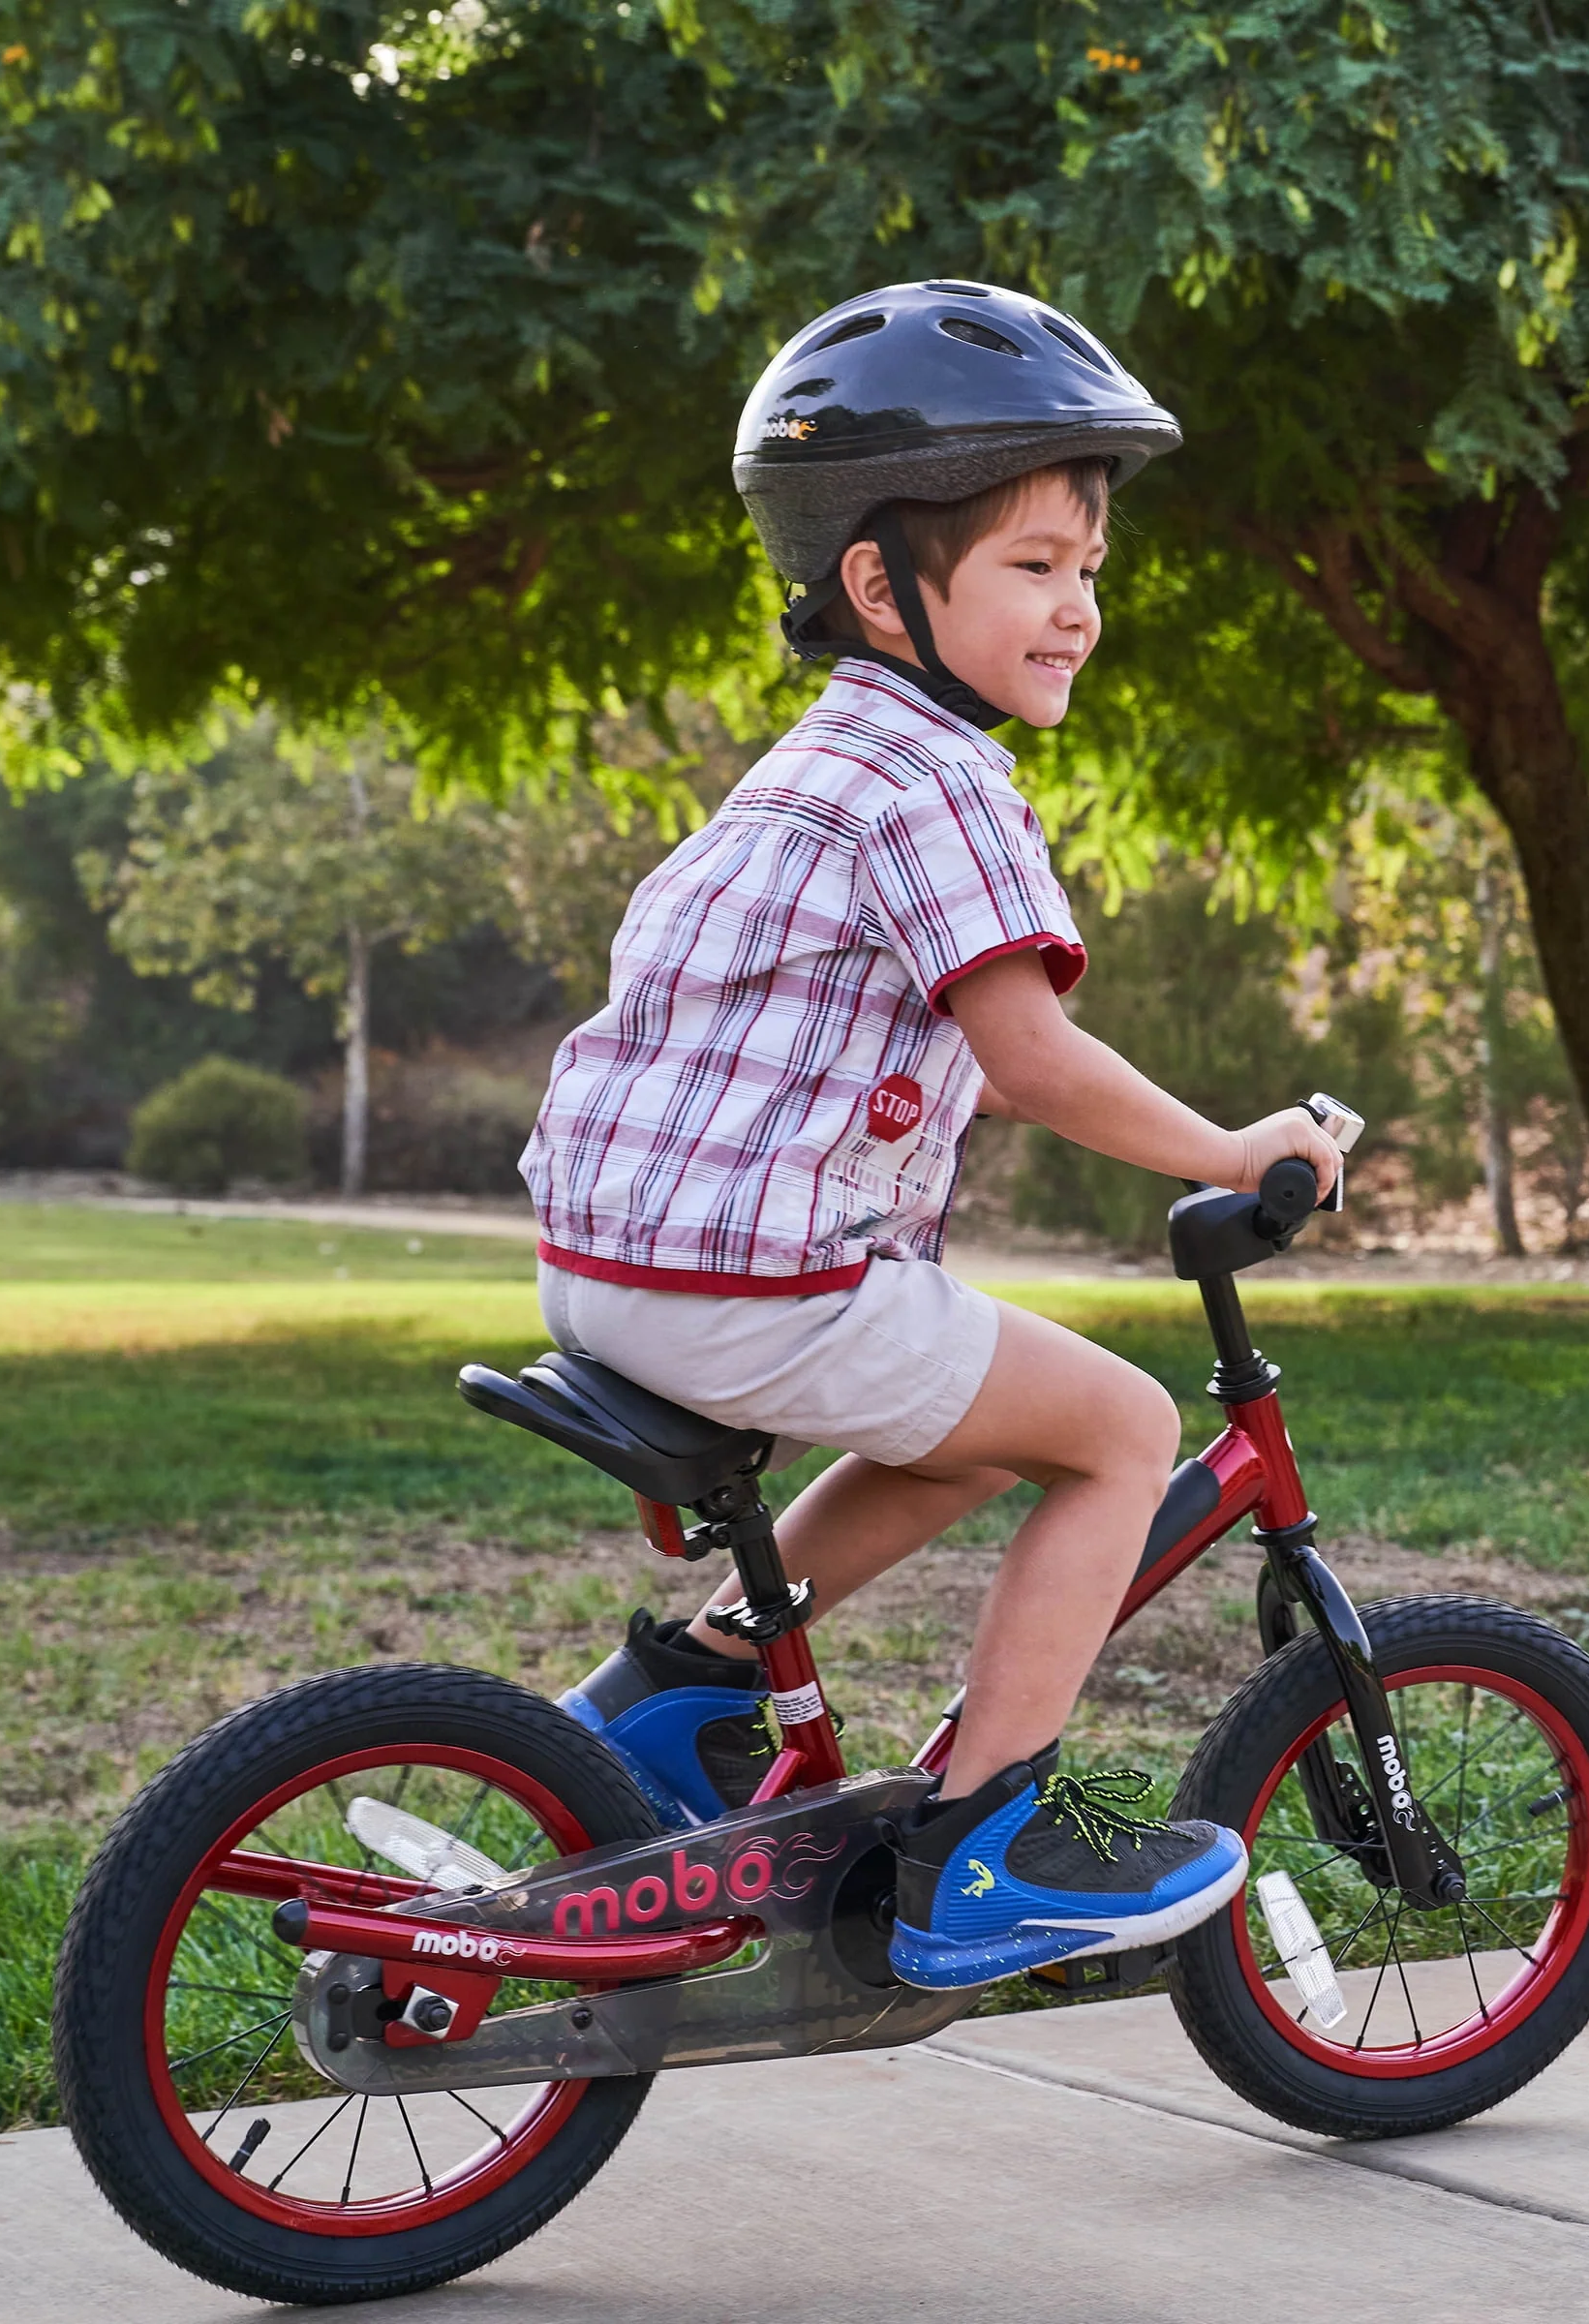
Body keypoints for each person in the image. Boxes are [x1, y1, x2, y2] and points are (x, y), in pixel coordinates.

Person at [523, 280, 1339, 1990]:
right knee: (1118, 1428)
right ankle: (984, 1846)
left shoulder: (819, 759)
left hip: (615, 1270)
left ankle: (687, 1694)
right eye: (1032, 567)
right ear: (886, 583)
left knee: (967, 1429)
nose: (1076, 611)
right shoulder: (939, 783)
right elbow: (1029, 1059)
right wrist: (1229, 1144)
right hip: (758, 1284)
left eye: (1091, 571)